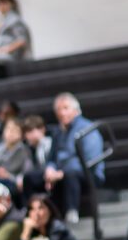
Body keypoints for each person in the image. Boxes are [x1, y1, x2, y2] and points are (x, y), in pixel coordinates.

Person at [32, 93, 104, 223]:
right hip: (61, 172)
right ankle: (32, 212)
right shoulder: (58, 132)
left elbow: (90, 160)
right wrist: (50, 170)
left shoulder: (87, 128)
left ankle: (72, 213)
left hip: (88, 173)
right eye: (58, 109)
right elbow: (52, 158)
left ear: (76, 110)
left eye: (65, 108)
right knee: (31, 178)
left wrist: (61, 173)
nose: (61, 113)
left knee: (70, 174)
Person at [0, 117, 31, 192]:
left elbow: (26, 174)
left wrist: (8, 176)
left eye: (15, 130)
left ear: (22, 135)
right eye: (8, 129)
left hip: (15, 186)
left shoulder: (25, 151)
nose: (11, 132)